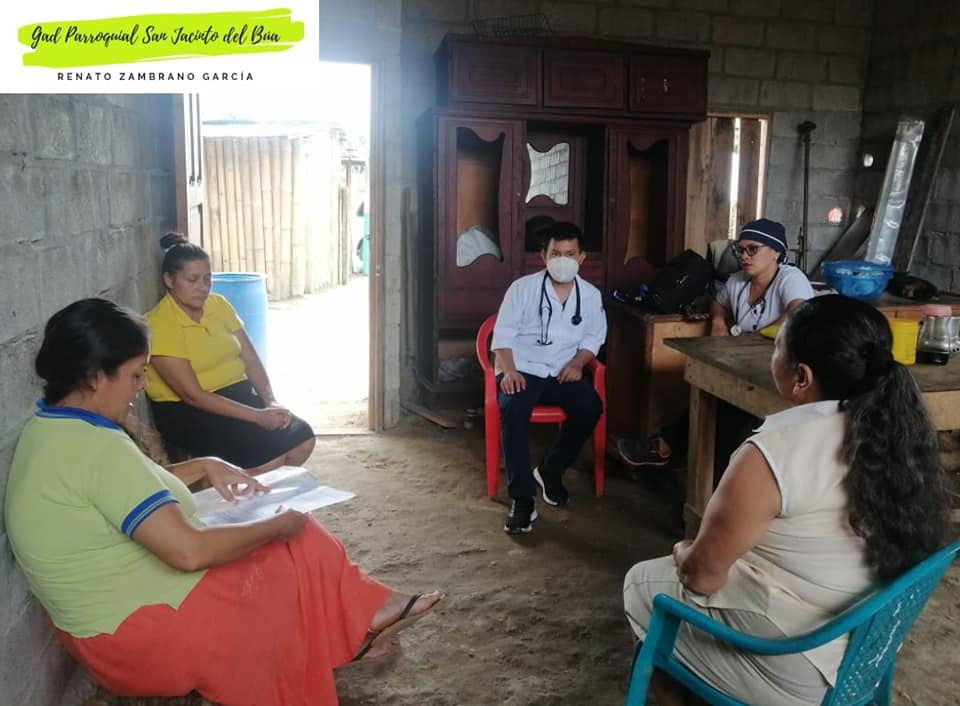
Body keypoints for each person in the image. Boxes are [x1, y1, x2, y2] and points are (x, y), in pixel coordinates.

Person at [5, 298, 443, 706]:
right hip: (135, 635)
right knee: (278, 564)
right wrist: (276, 525)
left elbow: (128, 487)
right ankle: (312, 662)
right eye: (136, 374)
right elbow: (188, 552)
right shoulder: (97, 447)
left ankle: (354, 626)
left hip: (112, 621)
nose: (141, 387)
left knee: (294, 536)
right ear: (94, 377)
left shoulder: (54, 428)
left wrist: (204, 465)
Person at [623, 294, 950, 706]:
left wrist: (683, 551)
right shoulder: (897, 433)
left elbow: (701, 576)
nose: (772, 356)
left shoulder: (772, 454)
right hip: (865, 651)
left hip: (802, 668)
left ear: (801, 377)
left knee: (641, 583)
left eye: (777, 348)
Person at [618, 218, 815, 468]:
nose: (745, 256)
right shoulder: (738, 281)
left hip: (782, 369)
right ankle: (676, 453)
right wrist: (719, 322)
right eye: (741, 250)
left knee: (730, 413)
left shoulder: (789, 278)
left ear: (776, 252)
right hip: (746, 365)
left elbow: (798, 312)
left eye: (753, 249)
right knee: (711, 396)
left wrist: (755, 337)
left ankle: (670, 449)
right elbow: (718, 302)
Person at [145, 233, 315, 474]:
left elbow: (251, 359)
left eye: (207, 278)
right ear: (169, 280)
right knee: (267, 459)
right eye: (192, 280)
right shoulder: (160, 323)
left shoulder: (219, 305)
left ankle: (248, 489)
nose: (203, 287)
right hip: (189, 412)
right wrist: (257, 417)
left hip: (238, 394)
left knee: (302, 438)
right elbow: (193, 396)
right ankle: (231, 487)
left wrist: (270, 401)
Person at [492, 221, 607, 534]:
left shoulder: (590, 296)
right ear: (543, 256)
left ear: (581, 258)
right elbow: (502, 335)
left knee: (590, 406)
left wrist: (579, 363)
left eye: (570, 254)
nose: (563, 260)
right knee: (513, 409)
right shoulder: (522, 289)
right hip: (523, 368)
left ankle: (551, 470)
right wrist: (509, 370)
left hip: (562, 370)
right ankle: (522, 500)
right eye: (556, 253)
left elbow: (594, 337)